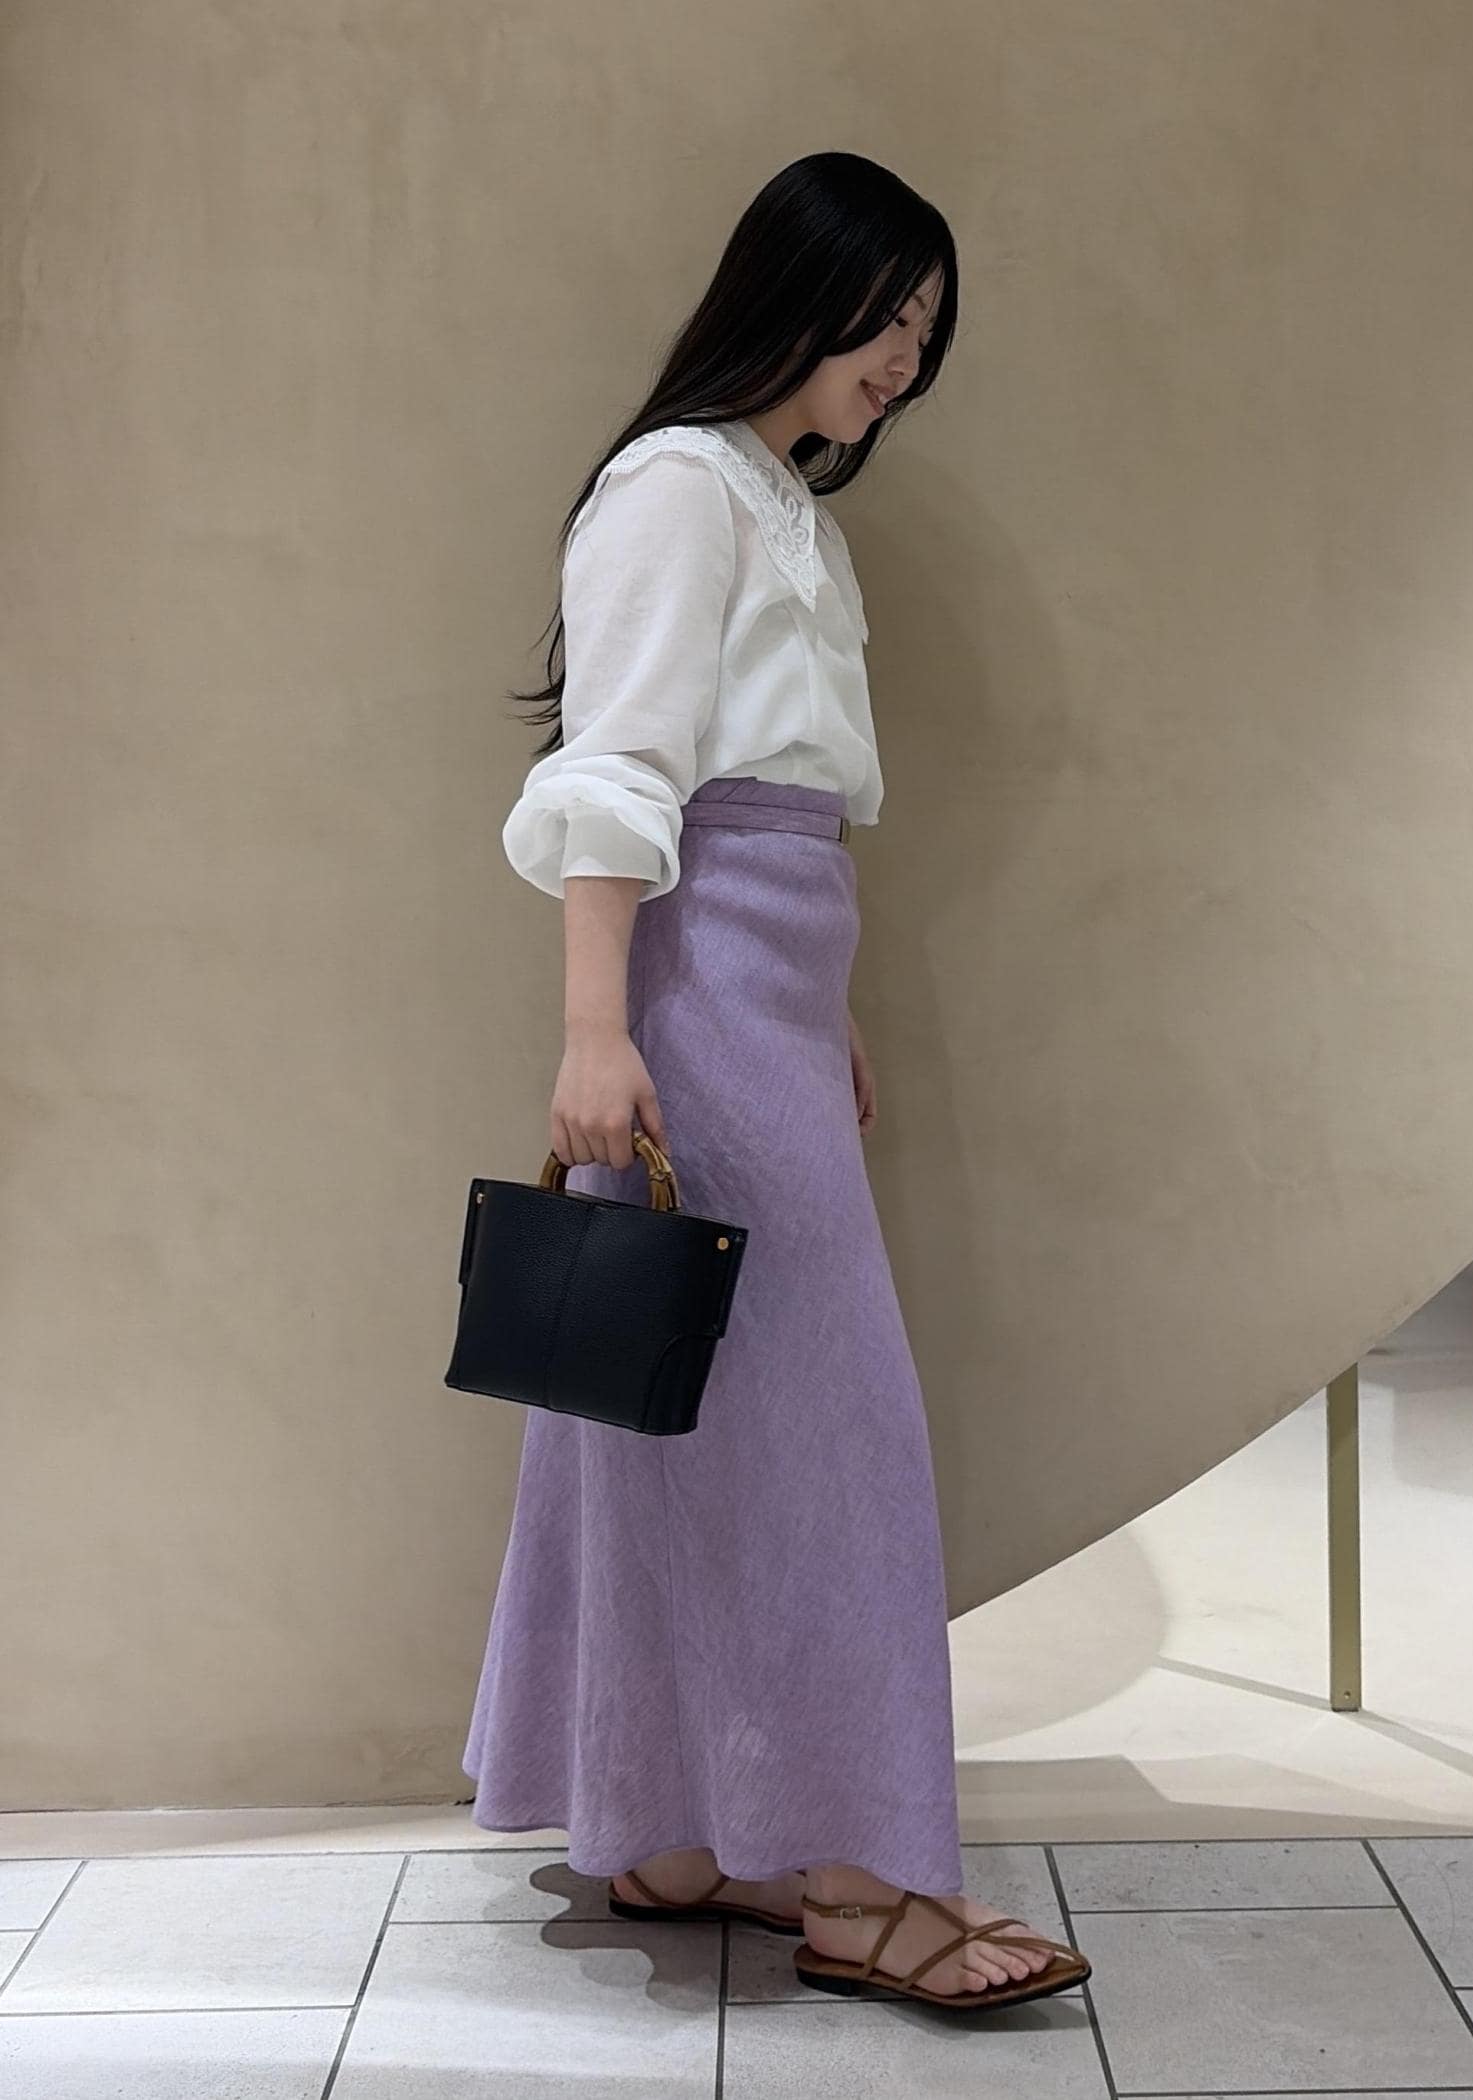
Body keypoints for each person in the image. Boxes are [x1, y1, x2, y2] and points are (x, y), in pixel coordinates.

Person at [462, 150, 1090, 2013]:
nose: (905, 359)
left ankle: (671, 1839)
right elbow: (619, 770)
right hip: (701, 987)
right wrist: (597, 1030)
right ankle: (862, 1884)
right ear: (794, 290)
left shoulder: (782, 504)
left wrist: (832, 1006)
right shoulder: (676, 486)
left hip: (773, 985)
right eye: (887, 316)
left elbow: (786, 797)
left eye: (926, 334)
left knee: (702, 1425)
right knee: (831, 1436)